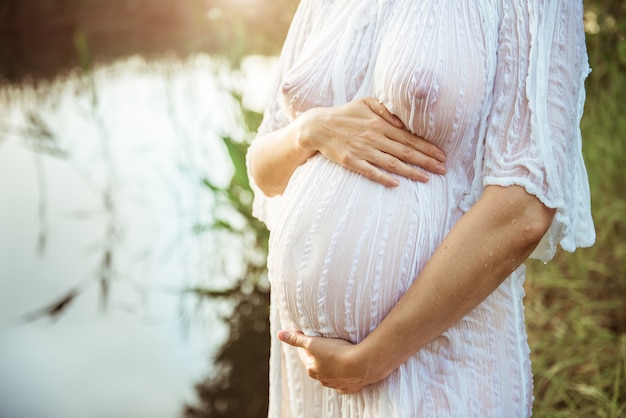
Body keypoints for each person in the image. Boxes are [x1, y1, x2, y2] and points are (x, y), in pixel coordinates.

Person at [246, 0, 595, 416]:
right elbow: (263, 171)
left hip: (434, 367)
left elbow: (524, 206)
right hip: (312, 378)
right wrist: (310, 130)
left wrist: (372, 359)